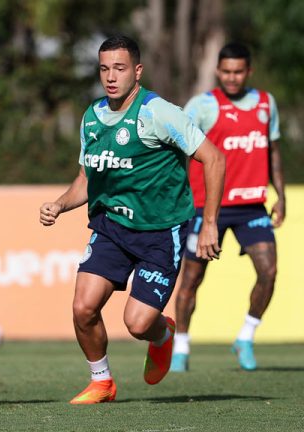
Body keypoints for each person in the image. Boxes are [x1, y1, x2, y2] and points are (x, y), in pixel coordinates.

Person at [39, 35, 225, 404]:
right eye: (104, 68)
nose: (111, 76)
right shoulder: (91, 117)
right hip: (111, 227)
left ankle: (162, 335)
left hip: (161, 231)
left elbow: (215, 159)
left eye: (119, 68)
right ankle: (102, 381)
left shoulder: (159, 112)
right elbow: (87, 179)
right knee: (83, 307)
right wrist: (60, 204)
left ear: (137, 71)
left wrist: (209, 223)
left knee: (138, 324)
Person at [171, 42, 285, 372]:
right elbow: (178, 148)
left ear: (248, 71)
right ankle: (181, 347)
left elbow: (273, 151)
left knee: (269, 272)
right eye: (226, 71)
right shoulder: (202, 106)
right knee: (192, 279)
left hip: (252, 205)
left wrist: (281, 195)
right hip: (207, 207)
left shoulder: (265, 104)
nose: (231, 78)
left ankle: (245, 337)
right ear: (217, 71)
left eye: (238, 71)